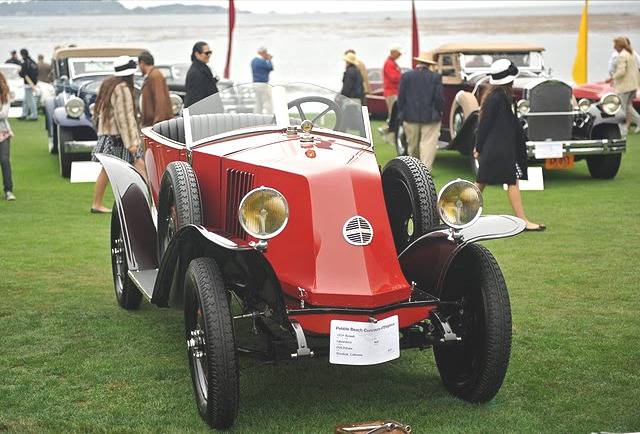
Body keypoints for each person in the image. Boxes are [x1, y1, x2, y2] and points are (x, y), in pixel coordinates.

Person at [473, 59, 545, 232]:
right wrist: (479, 146)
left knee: (482, 184)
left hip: (499, 148)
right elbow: (485, 124)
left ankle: (457, 217)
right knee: (502, 182)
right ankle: (523, 221)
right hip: (498, 148)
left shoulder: (501, 96)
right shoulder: (497, 98)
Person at [90, 56, 145, 214]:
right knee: (139, 168)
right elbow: (125, 118)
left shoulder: (109, 84)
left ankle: (97, 204)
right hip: (121, 138)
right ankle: (147, 204)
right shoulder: (122, 89)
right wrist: (132, 144)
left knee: (107, 171)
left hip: (110, 136)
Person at [396, 52, 443, 170]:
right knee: (428, 144)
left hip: (410, 115)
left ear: (418, 63)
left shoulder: (406, 76)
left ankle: (415, 170)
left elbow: (401, 97)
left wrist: (401, 112)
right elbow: (438, 98)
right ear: (429, 64)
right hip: (431, 116)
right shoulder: (435, 77)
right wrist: (439, 111)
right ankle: (426, 171)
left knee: (413, 145)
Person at [607, 37, 640, 134]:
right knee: (628, 106)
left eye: (615, 45)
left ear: (619, 45)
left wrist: (612, 78)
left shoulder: (622, 55)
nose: (614, 47)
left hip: (625, 87)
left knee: (621, 108)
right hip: (633, 85)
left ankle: (622, 129)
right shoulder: (632, 53)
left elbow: (621, 71)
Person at [138, 50, 173, 128]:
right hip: (151, 123)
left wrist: (158, 123)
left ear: (142, 63)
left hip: (156, 124)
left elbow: (160, 100)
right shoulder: (152, 75)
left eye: (139, 65)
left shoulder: (155, 76)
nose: (139, 68)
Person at [184, 41, 218, 108]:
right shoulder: (196, 73)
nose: (209, 55)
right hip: (201, 115)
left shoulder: (203, 69)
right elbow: (196, 99)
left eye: (210, 52)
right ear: (197, 54)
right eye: (207, 53)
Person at [0, 72, 15, 200]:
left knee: (5, 161)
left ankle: (8, 190)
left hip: (3, 133)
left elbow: (4, 114)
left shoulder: (4, 95)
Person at [251, 47, 274, 114]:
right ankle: (270, 116)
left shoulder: (253, 61)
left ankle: (257, 115)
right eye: (265, 52)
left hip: (255, 83)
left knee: (258, 102)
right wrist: (269, 60)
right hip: (263, 84)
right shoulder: (262, 61)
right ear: (262, 53)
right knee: (268, 102)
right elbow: (270, 67)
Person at [18, 48, 38, 121]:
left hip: (28, 83)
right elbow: (36, 72)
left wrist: (19, 72)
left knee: (30, 100)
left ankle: (34, 115)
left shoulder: (25, 63)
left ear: (22, 54)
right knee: (26, 100)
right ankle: (24, 114)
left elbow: (23, 74)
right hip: (33, 82)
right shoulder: (33, 62)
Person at [383, 47, 402, 118]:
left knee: (394, 112)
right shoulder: (389, 64)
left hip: (394, 91)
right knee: (392, 112)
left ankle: (391, 126)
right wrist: (402, 78)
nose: (399, 56)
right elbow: (393, 78)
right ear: (393, 53)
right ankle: (390, 127)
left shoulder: (392, 63)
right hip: (391, 91)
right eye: (398, 54)